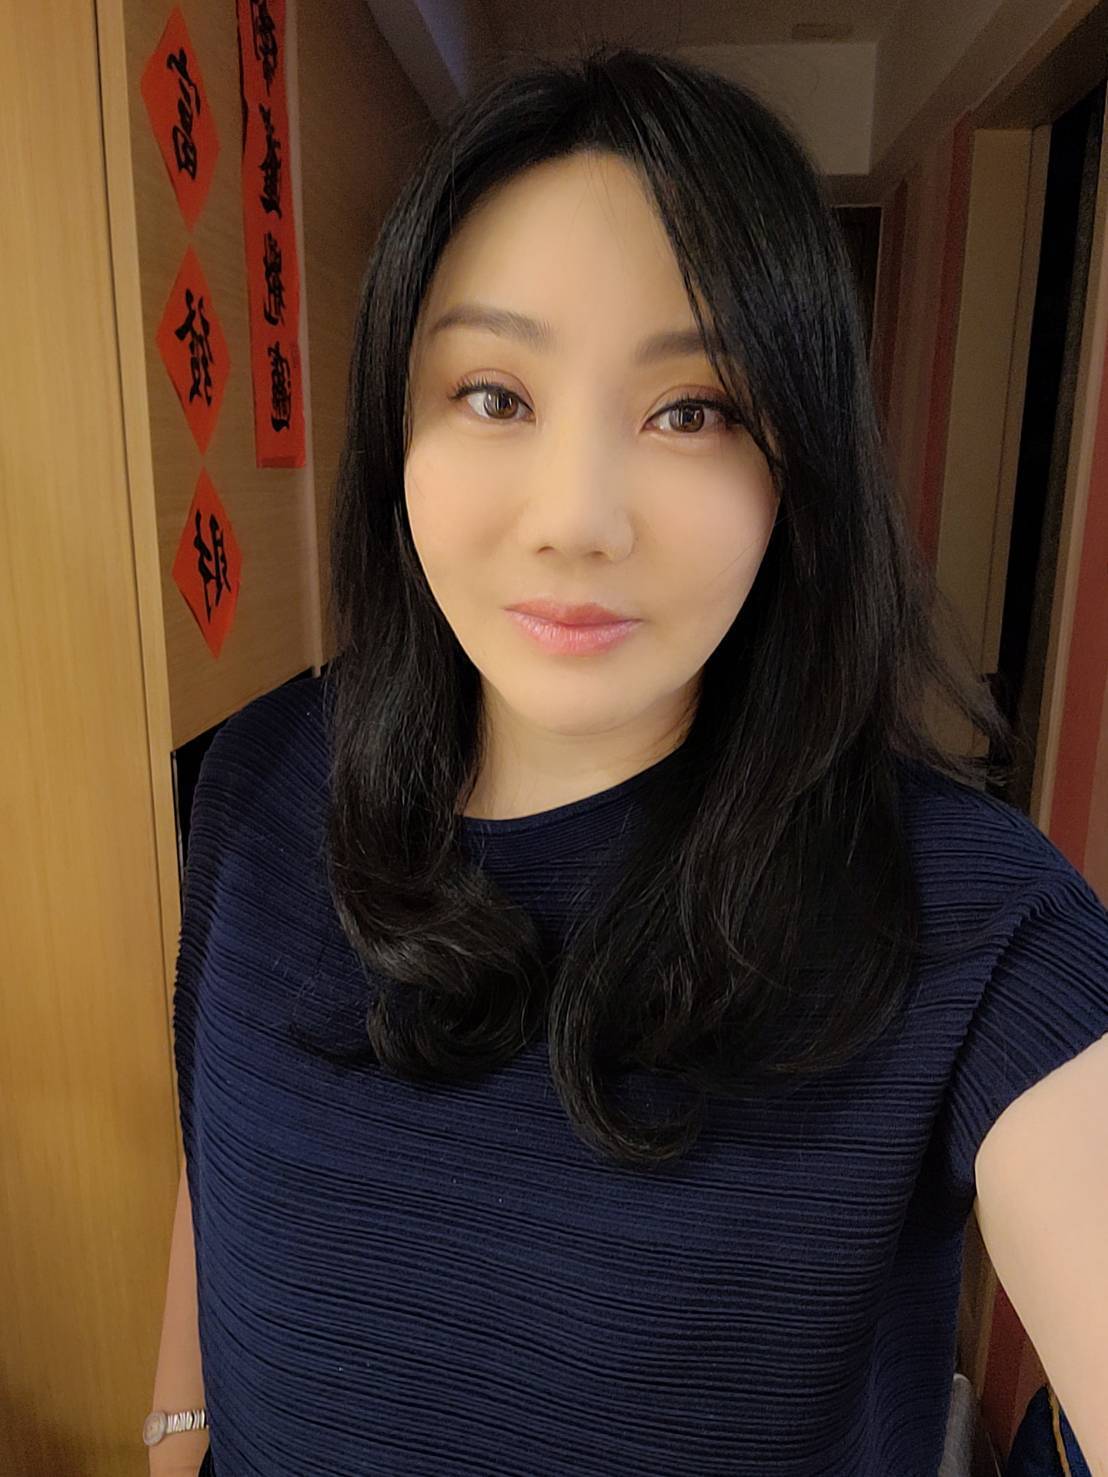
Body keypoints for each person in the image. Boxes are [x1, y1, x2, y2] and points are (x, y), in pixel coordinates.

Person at [153, 44, 1108, 1477]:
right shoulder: (260, 773)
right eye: (493, 393)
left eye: (693, 409)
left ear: (795, 465)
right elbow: (217, 1156)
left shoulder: (973, 924)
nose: (577, 517)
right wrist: (173, 1427)